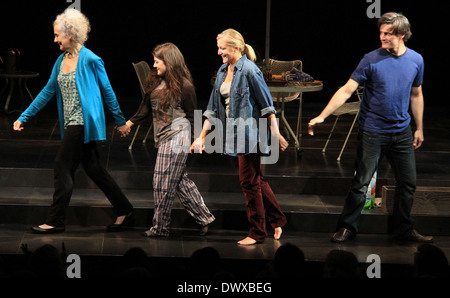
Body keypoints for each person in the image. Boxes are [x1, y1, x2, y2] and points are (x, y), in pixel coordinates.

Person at [308, 12, 432, 243]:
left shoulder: (416, 60)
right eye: (381, 33)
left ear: (402, 35)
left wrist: (419, 128)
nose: (382, 37)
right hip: (373, 131)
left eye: (387, 33)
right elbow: (346, 90)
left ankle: (403, 229)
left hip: (402, 132)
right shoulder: (370, 59)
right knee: (361, 182)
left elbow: (416, 94)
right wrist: (323, 116)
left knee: (408, 182)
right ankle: (347, 228)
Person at [13, 8, 134, 234]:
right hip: (71, 122)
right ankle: (124, 208)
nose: (55, 39)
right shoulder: (61, 60)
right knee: (93, 167)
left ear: (71, 34)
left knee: (62, 165)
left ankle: (56, 221)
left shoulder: (91, 59)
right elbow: (47, 91)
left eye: (58, 34)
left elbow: (107, 90)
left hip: (82, 122)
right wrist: (24, 116)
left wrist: (120, 121)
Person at [191, 29, 288, 245]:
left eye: (223, 48)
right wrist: (201, 137)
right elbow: (212, 109)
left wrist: (277, 135)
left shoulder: (251, 71)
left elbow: (267, 106)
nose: (219, 52)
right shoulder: (223, 70)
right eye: (218, 48)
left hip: (251, 134)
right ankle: (277, 220)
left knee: (248, 182)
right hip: (234, 134)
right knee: (256, 179)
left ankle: (257, 232)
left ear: (236, 47)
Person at [125, 42, 215, 237]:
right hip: (163, 136)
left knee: (162, 182)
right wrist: (129, 124)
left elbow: (192, 115)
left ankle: (160, 227)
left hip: (178, 135)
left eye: (158, 61)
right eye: (154, 61)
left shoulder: (185, 86)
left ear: (169, 62)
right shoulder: (155, 81)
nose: (155, 65)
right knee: (179, 180)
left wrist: (195, 139)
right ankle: (204, 217)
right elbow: (145, 108)